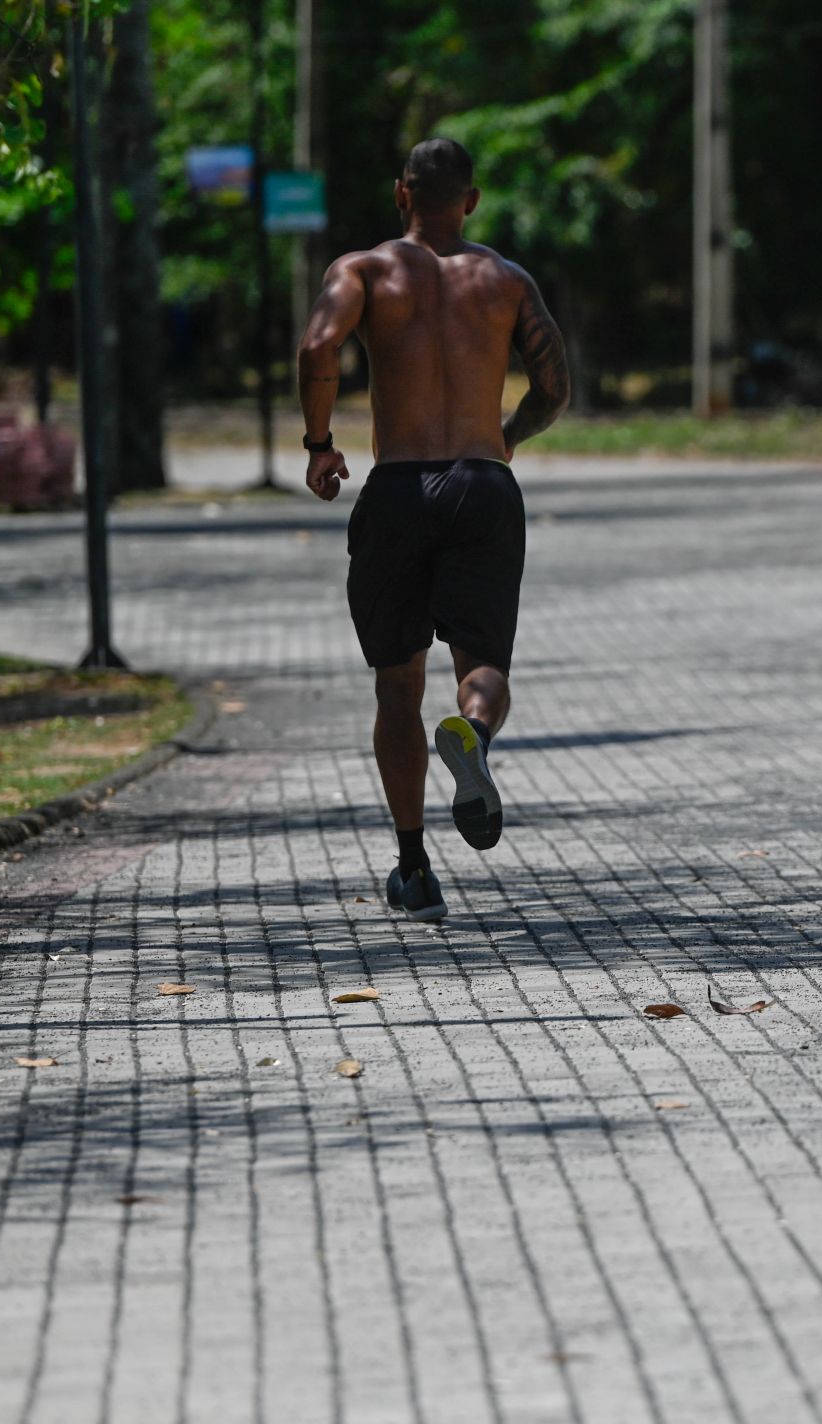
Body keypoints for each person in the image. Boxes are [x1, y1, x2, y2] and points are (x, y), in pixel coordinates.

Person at [295, 138, 571, 922]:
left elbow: (319, 344)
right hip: (485, 484)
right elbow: (556, 385)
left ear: (401, 194)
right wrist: (506, 437)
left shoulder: (365, 270)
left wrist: (320, 445)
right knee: (481, 664)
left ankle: (413, 867)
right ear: (471, 200)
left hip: (398, 489)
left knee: (397, 685)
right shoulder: (506, 279)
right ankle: (475, 735)